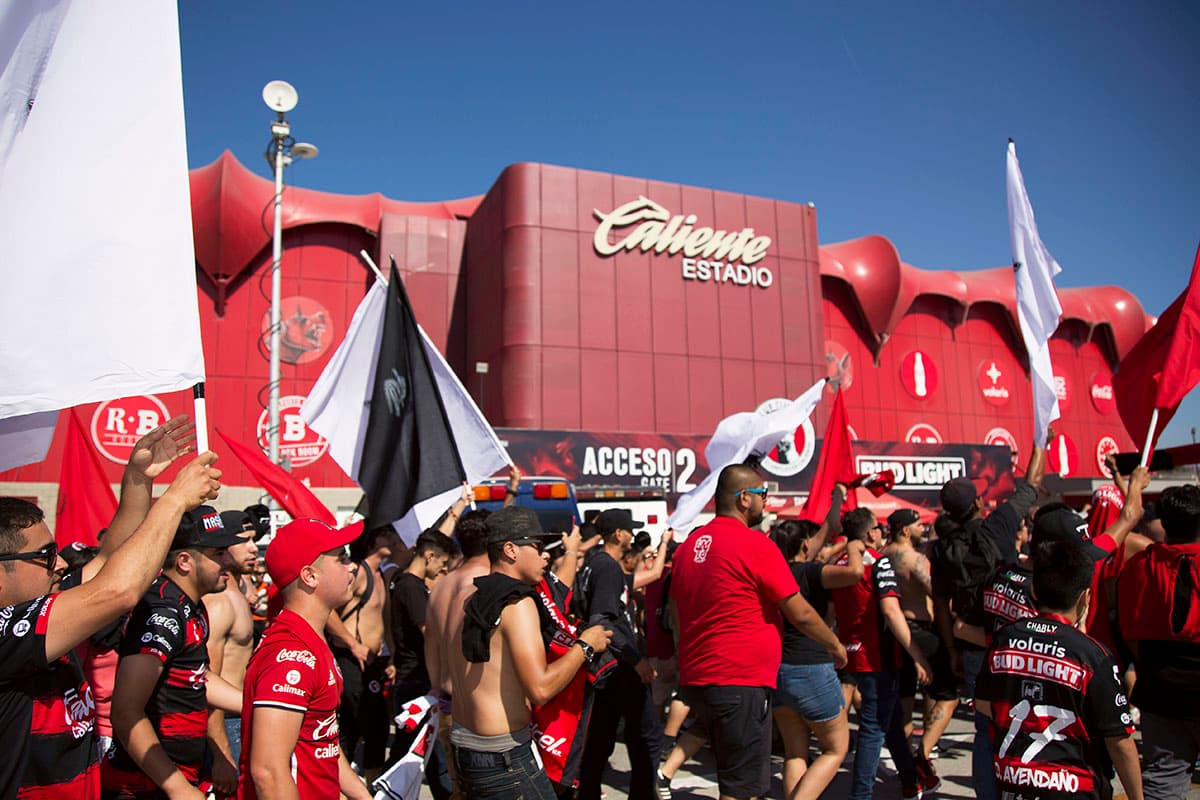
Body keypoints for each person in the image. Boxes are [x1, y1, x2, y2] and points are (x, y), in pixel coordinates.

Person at [0, 418, 216, 800]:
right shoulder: (6, 635)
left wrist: (138, 479)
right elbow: (118, 591)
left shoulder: (47, 607)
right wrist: (175, 500)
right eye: (47, 556)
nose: (62, 564)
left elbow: (111, 560)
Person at [670, 464, 846, 800]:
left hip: (700, 679)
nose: (767, 502)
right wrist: (834, 644)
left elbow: (677, 614)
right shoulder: (753, 543)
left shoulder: (689, 547)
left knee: (740, 781)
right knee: (741, 790)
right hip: (739, 681)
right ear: (744, 499)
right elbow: (801, 613)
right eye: (763, 495)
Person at [449, 506, 611, 799]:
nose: (546, 554)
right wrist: (585, 645)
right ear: (510, 549)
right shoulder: (517, 603)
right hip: (504, 757)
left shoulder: (474, 596)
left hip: (467, 748)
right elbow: (540, 688)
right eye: (537, 546)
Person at [976, 539, 1141, 800]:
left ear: (1034, 590)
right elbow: (1119, 741)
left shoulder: (1003, 640)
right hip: (1075, 787)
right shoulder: (1093, 656)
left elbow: (984, 704)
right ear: (1085, 597)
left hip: (1014, 784)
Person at [105, 506, 248, 799]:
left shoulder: (190, 606)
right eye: (218, 554)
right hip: (143, 787)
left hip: (176, 779)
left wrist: (258, 704)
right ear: (184, 561)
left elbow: (197, 677)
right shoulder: (162, 612)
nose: (229, 562)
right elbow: (125, 711)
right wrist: (178, 788)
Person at [930, 438, 1046, 800]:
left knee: (985, 729)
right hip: (1014, 640)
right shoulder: (999, 525)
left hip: (972, 646)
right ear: (977, 503)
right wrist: (1041, 443)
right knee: (1026, 724)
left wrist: (951, 649)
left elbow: (940, 601)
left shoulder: (940, 548)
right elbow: (1030, 487)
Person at [239, 518, 371, 800]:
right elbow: (269, 772)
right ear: (310, 576)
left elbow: (324, 741)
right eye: (341, 558)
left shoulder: (311, 640)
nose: (352, 567)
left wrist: (363, 795)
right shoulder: (291, 655)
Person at [832, 508, 934, 800]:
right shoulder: (879, 564)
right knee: (874, 727)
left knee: (889, 721)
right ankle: (862, 795)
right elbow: (891, 611)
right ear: (869, 534)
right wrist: (917, 655)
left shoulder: (837, 562)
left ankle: (910, 780)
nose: (880, 533)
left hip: (850, 653)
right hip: (878, 657)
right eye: (876, 528)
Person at [769, 511, 862, 800]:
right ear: (805, 546)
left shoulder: (772, 574)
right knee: (835, 748)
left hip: (779, 670)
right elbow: (854, 573)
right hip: (811, 668)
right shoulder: (810, 572)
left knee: (795, 752)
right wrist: (854, 545)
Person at [1117, 483, 1200, 800]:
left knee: (1162, 784)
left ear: (1163, 523)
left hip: (1161, 692)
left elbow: (1129, 632)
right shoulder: (1141, 565)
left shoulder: (1139, 567)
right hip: (1164, 692)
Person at [577, 508, 663, 800]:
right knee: (647, 736)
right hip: (617, 666)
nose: (631, 536)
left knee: (601, 738)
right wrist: (635, 660)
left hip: (606, 667)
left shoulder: (595, 563)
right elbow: (604, 618)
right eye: (629, 531)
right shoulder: (607, 567)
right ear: (619, 534)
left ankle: (587, 792)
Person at [883, 507, 958, 783]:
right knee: (948, 695)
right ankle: (923, 754)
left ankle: (905, 763)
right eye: (917, 525)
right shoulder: (913, 560)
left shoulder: (883, 555)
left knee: (904, 699)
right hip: (920, 631)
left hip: (895, 631)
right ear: (904, 530)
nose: (922, 529)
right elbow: (935, 593)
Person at [425, 509, 492, 800]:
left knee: (459, 792)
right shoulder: (485, 583)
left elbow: (431, 646)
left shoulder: (442, 585)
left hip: (446, 702)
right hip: (478, 709)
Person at [326, 524, 395, 782]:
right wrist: (352, 644)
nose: (394, 539)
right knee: (360, 727)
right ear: (373, 539)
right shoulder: (359, 573)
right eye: (387, 534)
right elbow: (328, 610)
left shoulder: (381, 575)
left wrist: (394, 656)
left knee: (371, 727)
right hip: (351, 659)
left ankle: (367, 785)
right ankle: (344, 786)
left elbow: (383, 620)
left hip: (373, 661)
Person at [202, 510, 260, 797]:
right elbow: (206, 681)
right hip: (224, 724)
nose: (253, 547)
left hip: (238, 719)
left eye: (253, 540)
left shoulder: (235, 593)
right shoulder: (220, 602)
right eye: (245, 541)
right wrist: (222, 751)